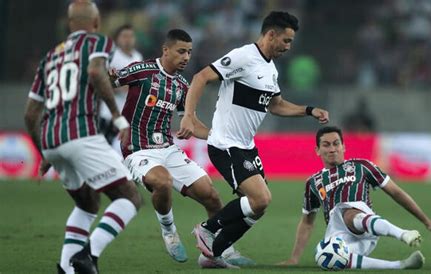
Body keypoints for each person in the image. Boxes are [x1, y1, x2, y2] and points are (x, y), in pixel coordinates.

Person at [178, 11, 329, 268]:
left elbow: (276, 105)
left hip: (247, 147)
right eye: (286, 40)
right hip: (226, 144)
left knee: (257, 207)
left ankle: (212, 254)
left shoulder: (270, 69)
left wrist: (308, 110)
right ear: (271, 34)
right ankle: (206, 229)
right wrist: (189, 116)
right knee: (261, 199)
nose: (288, 47)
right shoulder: (243, 57)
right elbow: (201, 77)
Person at [111, 29, 254, 267]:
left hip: (168, 149)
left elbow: (191, 123)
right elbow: (108, 81)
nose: (186, 57)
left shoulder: (181, 85)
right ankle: (169, 231)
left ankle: (220, 252)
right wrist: (107, 77)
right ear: (165, 50)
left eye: (189, 52)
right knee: (162, 181)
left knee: (212, 197)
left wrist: (218, 137)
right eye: (181, 51)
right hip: (138, 149)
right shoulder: (142, 71)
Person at [24, 2, 142, 274]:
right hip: (82, 134)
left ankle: (66, 268)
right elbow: (95, 72)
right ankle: (87, 256)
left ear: (69, 24)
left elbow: (31, 115)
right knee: (129, 197)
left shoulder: (50, 56)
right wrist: (116, 115)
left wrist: (44, 154)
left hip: (52, 139)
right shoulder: (97, 42)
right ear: (97, 21)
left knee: (87, 203)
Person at [278, 126, 431, 270]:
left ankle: (403, 234)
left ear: (343, 146)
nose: (332, 149)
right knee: (325, 256)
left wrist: (426, 221)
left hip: (364, 223)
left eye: (336, 144)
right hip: (338, 233)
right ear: (317, 150)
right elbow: (307, 222)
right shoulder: (313, 183)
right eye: (326, 145)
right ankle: (400, 265)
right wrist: (294, 258)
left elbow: (396, 192)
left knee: (347, 211)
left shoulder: (361, 166)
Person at [99, 24, 143, 154]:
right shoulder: (111, 57)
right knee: (104, 149)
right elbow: (100, 82)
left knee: (122, 149)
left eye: (130, 36)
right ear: (117, 39)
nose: (128, 39)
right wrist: (118, 87)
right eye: (124, 36)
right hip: (109, 112)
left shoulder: (138, 57)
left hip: (127, 113)